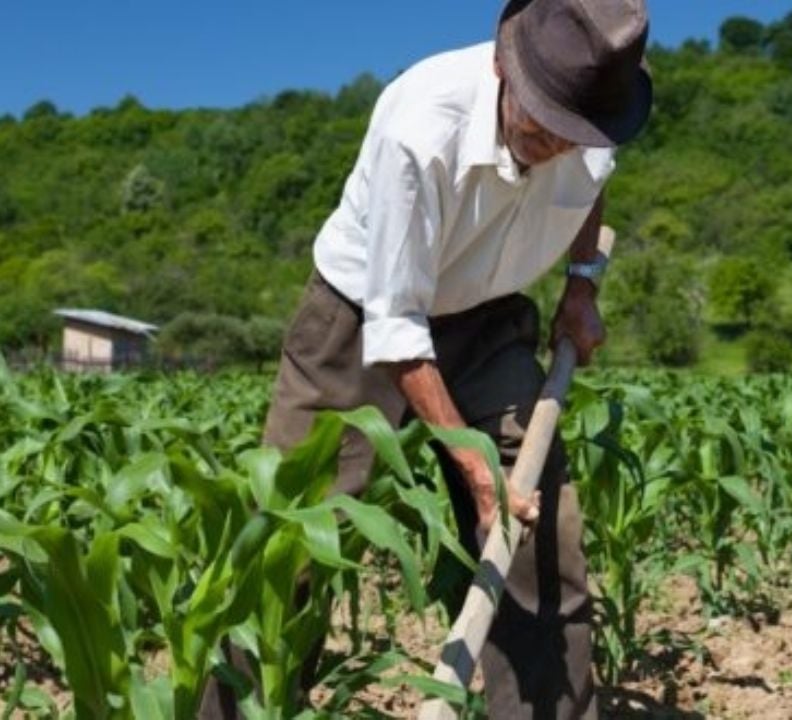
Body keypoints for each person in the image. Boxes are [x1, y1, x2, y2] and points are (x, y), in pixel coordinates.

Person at [199, 1, 652, 718]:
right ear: (504, 67)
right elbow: (397, 328)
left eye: (574, 135)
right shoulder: (421, 125)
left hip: (491, 316)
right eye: (541, 124)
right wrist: (476, 473)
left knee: (539, 537)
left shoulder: (596, 114)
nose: (556, 145)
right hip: (361, 321)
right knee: (291, 544)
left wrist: (580, 286)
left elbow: (592, 187)